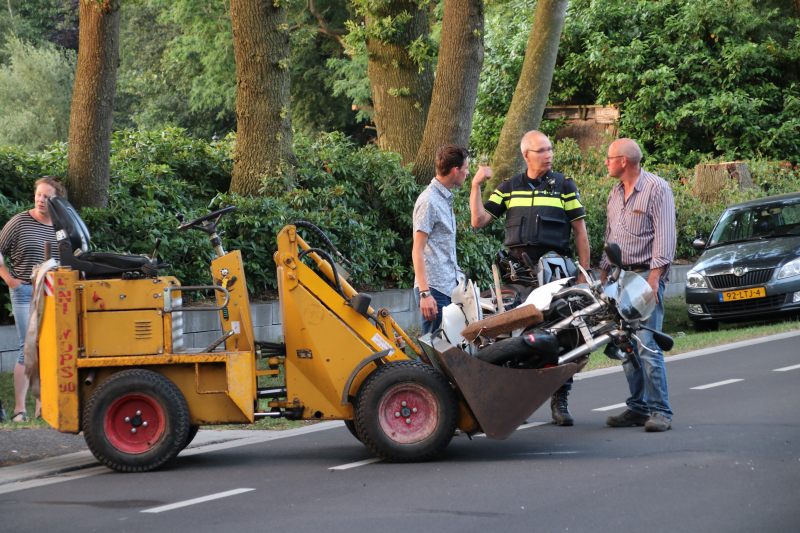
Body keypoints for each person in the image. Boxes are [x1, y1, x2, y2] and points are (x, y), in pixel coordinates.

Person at [470, 130, 591, 427]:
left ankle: (559, 400)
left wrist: (584, 276)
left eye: (550, 150)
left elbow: (580, 232)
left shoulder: (564, 185)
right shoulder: (509, 186)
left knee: (561, 336)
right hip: (517, 277)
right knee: (512, 339)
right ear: (526, 155)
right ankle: (515, 401)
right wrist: (475, 185)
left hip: (555, 276)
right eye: (542, 151)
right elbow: (478, 221)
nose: (548, 155)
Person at [599, 138, 676, 432]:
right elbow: (611, 237)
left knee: (647, 345)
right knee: (626, 345)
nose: (605, 162)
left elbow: (665, 238)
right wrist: (604, 275)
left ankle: (661, 411)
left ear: (624, 161)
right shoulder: (615, 193)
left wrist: (655, 279)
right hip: (620, 278)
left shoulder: (657, 188)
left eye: (609, 158)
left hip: (645, 277)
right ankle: (638, 407)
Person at [0, 177, 63, 422]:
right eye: (39, 194)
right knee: (28, 349)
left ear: (56, 200)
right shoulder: (19, 222)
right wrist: (9, 279)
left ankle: (42, 408)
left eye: (47, 197)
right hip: (25, 292)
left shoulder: (60, 226)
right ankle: (19, 410)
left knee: (46, 349)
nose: (41, 200)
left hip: (52, 294)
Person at [413, 145, 491, 335]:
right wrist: (425, 294)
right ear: (455, 170)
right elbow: (417, 249)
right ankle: (405, 367)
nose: (467, 171)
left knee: (446, 350)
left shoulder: (443, 198)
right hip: (434, 289)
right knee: (434, 352)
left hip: (447, 287)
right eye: (466, 167)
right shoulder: (429, 200)